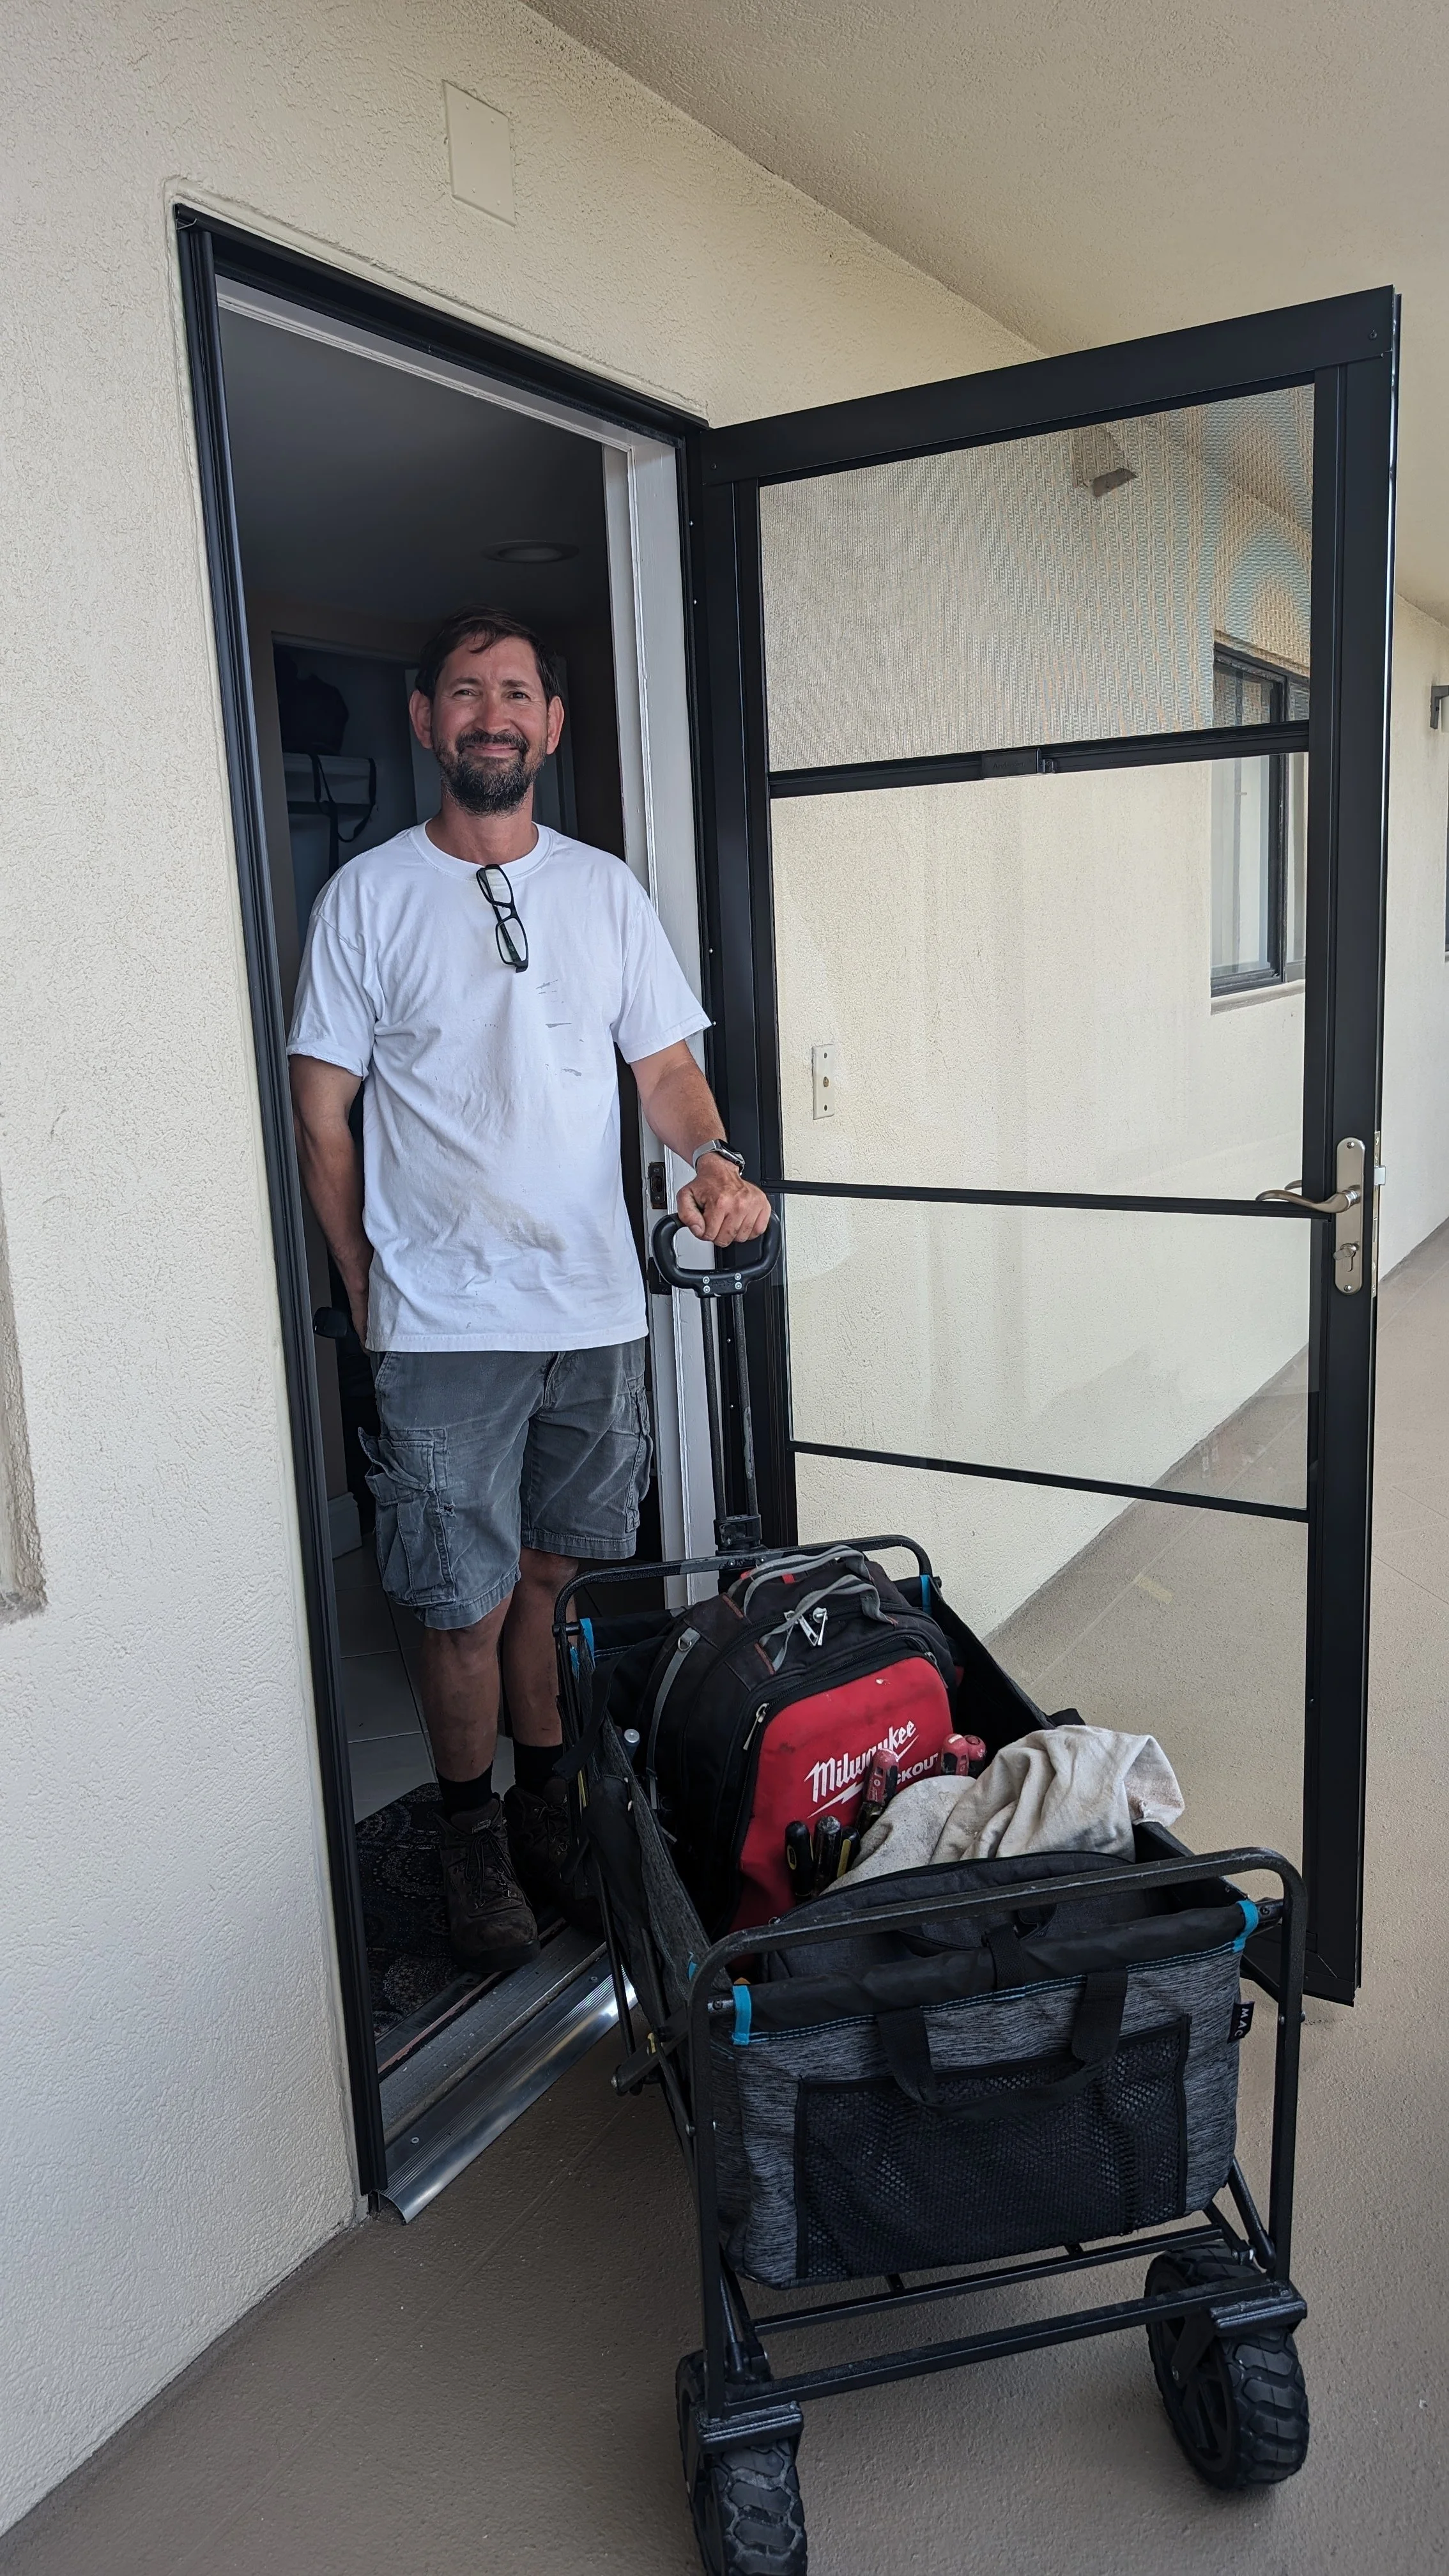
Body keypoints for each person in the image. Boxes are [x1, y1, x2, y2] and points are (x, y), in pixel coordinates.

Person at [288, 608, 771, 1970]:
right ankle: (465, 1834)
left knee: (554, 1575)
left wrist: (716, 1160)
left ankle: (550, 1807)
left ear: (552, 725)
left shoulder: (606, 892)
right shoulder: (368, 898)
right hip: (442, 1326)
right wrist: (368, 1292)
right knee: (461, 1602)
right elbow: (321, 1115)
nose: (490, 713)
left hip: (595, 1313)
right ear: (427, 723)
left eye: (516, 693)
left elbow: (666, 1077)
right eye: (464, 692)